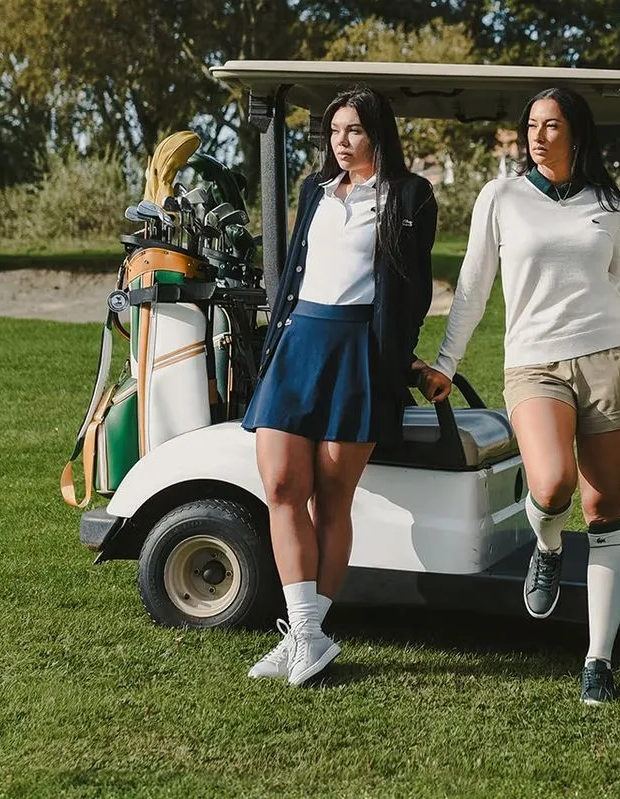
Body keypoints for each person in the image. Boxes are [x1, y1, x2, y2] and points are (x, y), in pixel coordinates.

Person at [419, 87, 620, 705]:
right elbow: (473, 288)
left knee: (604, 509)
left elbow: (615, 289)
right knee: (552, 483)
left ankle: (598, 660)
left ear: (575, 133)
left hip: (610, 357)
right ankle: (549, 544)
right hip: (534, 363)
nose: (537, 135)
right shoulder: (501, 196)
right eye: (531, 125)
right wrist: (447, 363)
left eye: (551, 125)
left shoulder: (606, 202)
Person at [241, 87, 437, 686]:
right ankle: (306, 634)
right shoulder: (316, 191)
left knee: (331, 496)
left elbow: (414, 291)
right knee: (281, 484)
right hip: (298, 344)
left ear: (378, 133)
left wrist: (400, 360)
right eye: (333, 131)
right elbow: (296, 274)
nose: (341, 141)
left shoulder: (409, 195)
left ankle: (305, 635)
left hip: (359, 353)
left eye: (353, 130)